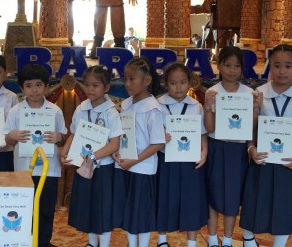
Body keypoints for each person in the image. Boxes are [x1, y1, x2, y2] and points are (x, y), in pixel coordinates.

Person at [3, 64, 67, 247]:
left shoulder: (55, 111)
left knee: (47, 208)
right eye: (29, 86)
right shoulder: (16, 111)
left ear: (46, 87)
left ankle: (43, 242)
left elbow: (62, 136)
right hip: (24, 169)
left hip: (49, 169)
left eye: (38, 85)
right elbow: (7, 138)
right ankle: (26, 241)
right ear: (22, 88)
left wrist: (58, 137)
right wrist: (12, 136)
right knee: (25, 207)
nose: (34, 90)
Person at [60, 65, 122, 247]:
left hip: (103, 168)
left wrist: (94, 157)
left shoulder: (111, 112)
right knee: (89, 206)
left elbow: (114, 144)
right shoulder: (81, 108)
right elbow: (73, 133)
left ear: (106, 88)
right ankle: (91, 242)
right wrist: (64, 151)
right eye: (87, 85)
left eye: (95, 85)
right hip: (83, 166)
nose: (90, 89)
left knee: (103, 207)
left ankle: (104, 243)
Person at [203, 46, 258, 247]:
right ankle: (211, 238)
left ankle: (227, 239)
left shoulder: (250, 93)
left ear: (243, 68)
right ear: (219, 66)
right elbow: (209, 128)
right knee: (213, 193)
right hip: (216, 148)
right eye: (227, 65)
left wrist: (255, 110)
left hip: (237, 152)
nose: (232, 70)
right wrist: (208, 108)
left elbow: (251, 129)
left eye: (237, 66)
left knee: (232, 196)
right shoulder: (212, 92)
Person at [240, 44, 292, 247]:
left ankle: (279, 243)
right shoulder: (258, 94)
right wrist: (250, 148)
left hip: (287, 164)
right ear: (270, 66)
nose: (282, 71)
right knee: (253, 200)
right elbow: (250, 129)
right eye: (277, 65)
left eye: (288, 66)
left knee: (284, 205)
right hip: (261, 160)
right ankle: (248, 238)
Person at [112, 58, 166, 247]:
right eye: (125, 79)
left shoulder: (154, 109)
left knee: (140, 213)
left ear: (147, 80)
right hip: (124, 166)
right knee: (128, 211)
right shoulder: (126, 104)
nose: (127, 84)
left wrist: (133, 161)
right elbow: (121, 133)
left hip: (142, 169)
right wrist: (116, 152)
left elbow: (157, 143)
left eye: (132, 79)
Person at [156, 63, 208, 247]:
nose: (178, 87)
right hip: (166, 160)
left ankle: (192, 241)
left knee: (191, 199)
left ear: (189, 83)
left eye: (183, 82)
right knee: (164, 198)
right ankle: (162, 240)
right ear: (165, 83)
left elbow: (202, 133)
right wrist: (160, 136)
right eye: (173, 83)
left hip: (190, 162)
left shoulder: (196, 106)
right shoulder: (158, 105)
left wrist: (204, 152)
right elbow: (152, 133)